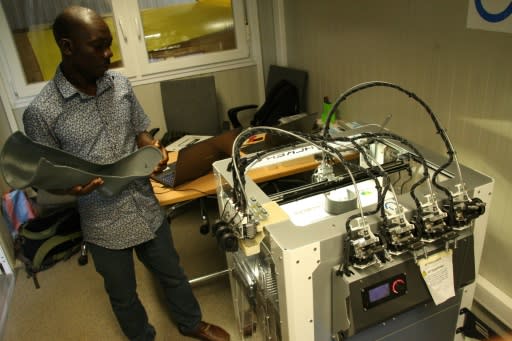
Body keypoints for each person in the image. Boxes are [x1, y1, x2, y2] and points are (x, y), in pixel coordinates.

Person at [22, 6, 230, 341]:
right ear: (68, 46)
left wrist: (153, 149)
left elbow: (140, 131)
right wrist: (70, 188)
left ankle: (191, 322)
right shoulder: (42, 112)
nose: (109, 54)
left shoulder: (119, 84)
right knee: (123, 295)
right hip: (102, 220)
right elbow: (42, 177)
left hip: (145, 203)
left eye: (109, 44)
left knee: (172, 272)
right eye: (98, 46)